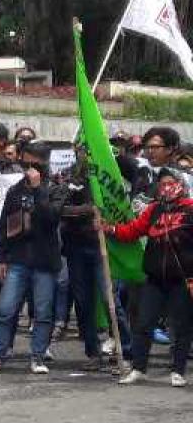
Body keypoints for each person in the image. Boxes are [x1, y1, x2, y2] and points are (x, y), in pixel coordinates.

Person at [105, 168, 193, 388]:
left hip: (182, 279)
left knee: (181, 326)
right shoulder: (154, 209)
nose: (166, 187)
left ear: (181, 184)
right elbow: (133, 230)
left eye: (171, 182)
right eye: (162, 183)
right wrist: (110, 229)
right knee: (143, 324)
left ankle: (178, 371)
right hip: (154, 279)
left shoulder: (190, 209)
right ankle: (139, 368)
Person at [0, 142, 61, 374]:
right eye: (25, 161)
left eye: (35, 162)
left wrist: (37, 190)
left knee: (43, 312)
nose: (29, 166)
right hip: (17, 260)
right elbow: (4, 226)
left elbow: (52, 219)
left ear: (44, 162)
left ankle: (37, 357)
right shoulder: (15, 190)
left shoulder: (54, 188)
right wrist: (2, 258)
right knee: (5, 309)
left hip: (45, 262)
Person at [60, 151, 129, 371]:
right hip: (76, 247)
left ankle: (126, 351)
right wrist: (88, 210)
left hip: (102, 247)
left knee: (111, 300)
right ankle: (93, 352)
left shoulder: (109, 176)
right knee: (82, 302)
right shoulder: (68, 177)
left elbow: (121, 207)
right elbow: (58, 209)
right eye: (81, 149)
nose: (85, 154)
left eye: (89, 150)